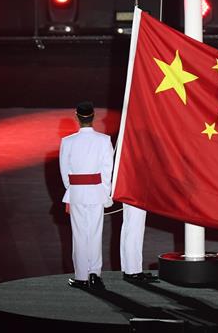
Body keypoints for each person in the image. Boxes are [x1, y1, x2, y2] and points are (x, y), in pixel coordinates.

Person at [59, 101, 113, 290]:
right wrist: (105, 193)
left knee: (80, 234)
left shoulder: (67, 142)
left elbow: (65, 171)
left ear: (77, 116)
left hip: (77, 193)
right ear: (93, 116)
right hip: (96, 192)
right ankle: (94, 275)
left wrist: (72, 190)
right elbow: (108, 170)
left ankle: (81, 275)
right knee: (95, 233)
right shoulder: (104, 140)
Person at [121, 203, 158, 283]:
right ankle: (133, 270)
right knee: (135, 229)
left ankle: (129, 268)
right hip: (135, 194)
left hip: (130, 192)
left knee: (129, 226)